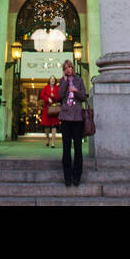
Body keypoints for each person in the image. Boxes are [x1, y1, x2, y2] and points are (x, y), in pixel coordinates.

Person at [55, 59, 88, 187]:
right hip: (66, 118)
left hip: (77, 118)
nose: (68, 69)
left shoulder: (79, 80)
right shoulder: (62, 81)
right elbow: (60, 95)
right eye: (65, 68)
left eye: (69, 67)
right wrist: (64, 81)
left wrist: (75, 91)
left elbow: (84, 97)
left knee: (78, 148)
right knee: (66, 148)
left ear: (73, 68)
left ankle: (77, 177)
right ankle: (67, 177)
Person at [40, 75, 61, 148]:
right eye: (51, 79)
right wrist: (47, 98)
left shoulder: (57, 88)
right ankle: (47, 139)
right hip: (47, 108)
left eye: (53, 79)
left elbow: (59, 97)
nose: (52, 80)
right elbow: (42, 95)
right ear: (49, 80)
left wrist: (53, 96)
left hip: (54, 109)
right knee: (46, 126)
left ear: (55, 81)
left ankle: (53, 142)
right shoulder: (46, 87)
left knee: (54, 126)